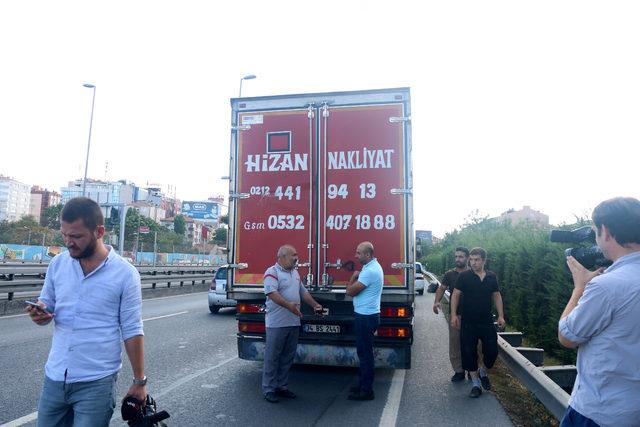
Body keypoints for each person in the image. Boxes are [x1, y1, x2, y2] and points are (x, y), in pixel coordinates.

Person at [25, 197, 146, 426]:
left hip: (96, 382)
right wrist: (39, 314)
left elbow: (132, 329)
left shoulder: (125, 274)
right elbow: (46, 304)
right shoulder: (58, 265)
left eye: (77, 236)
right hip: (55, 377)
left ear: (99, 231)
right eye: (65, 235)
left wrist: (140, 381)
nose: (69, 242)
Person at [558, 197, 640, 427]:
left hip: (600, 412)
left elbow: (567, 336)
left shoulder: (606, 286)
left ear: (605, 231)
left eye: (595, 231)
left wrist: (580, 288)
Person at [262, 244, 323, 403]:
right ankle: (269, 388)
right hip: (276, 324)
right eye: (293, 255)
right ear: (281, 257)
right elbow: (272, 293)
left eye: (296, 255)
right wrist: (289, 306)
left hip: (293, 322)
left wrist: (315, 304)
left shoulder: (295, 273)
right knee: (272, 357)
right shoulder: (272, 272)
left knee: (287, 357)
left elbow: (303, 292)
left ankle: (282, 386)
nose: (296, 258)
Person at [450, 247, 505, 398]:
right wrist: (454, 315)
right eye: (471, 260)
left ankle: (483, 372)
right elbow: (455, 295)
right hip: (468, 321)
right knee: (468, 353)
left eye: (476, 260)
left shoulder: (491, 277)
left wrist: (501, 316)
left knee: (492, 351)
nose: (473, 263)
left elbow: (497, 295)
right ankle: (475, 384)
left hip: (486, 320)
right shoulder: (464, 276)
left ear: (484, 260)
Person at [433, 246, 478, 382]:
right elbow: (442, 288)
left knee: (473, 344)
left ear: (467, 258)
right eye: (456, 256)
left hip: (472, 316)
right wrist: (436, 302)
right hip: (456, 315)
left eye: (461, 257)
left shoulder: (475, 274)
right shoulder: (450, 274)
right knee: (455, 344)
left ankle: (472, 370)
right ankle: (459, 371)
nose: (457, 259)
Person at [346, 241, 384, 401]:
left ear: (368, 255)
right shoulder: (371, 267)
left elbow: (350, 292)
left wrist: (353, 277)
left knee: (365, 354)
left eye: (358, 253)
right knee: (363, 353)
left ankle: (366, 391)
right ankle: (362, 385)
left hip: (366, 317)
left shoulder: (369, 271)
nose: (356, 255)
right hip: (367, 315)